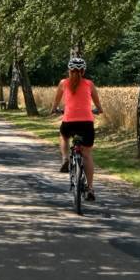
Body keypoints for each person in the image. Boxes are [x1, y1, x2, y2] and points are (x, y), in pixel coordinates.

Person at [50, 56, 105, 201]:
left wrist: (54, 109)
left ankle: (65, 158)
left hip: (69, 121)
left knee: (63, 135)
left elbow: (56, 101)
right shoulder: (89, 84)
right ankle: (90, 188)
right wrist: (99, 110)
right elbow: (97, 103)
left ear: (69, 70)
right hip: (87, 123)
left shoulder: (63, 83)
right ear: (83, 71)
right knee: (86, 155)